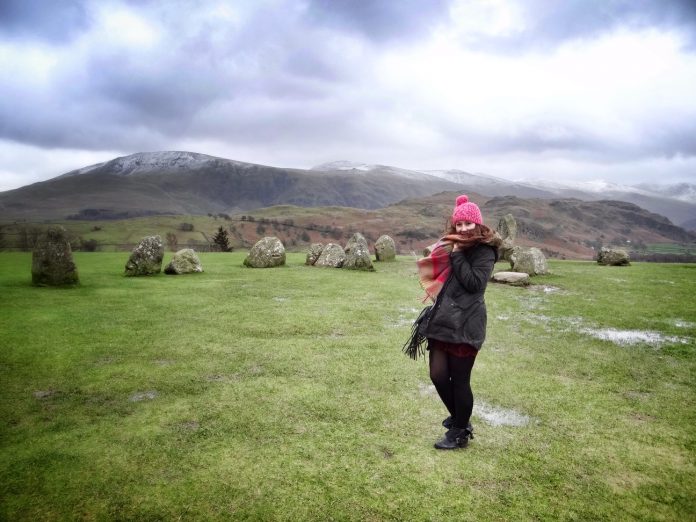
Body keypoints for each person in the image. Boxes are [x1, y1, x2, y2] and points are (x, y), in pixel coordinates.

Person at [417, 194, 501, 450]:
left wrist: (457, 255)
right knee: (438, 375)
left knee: (460, 380)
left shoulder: (484, 251)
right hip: (444, 320)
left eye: (468, 224)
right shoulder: (452, 245)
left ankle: (459, 433)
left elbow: (475, 284)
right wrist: (451, 253)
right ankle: (462, 422)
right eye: (459, 224)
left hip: (466, 323)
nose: (463, 229)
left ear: (477, 224)